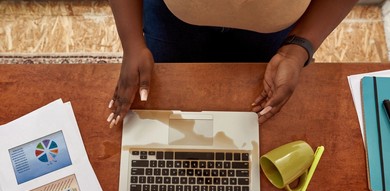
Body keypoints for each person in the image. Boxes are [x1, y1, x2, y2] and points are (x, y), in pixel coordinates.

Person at [106, 0, 358, 128]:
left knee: (255, 121)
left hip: (270, 31)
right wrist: (132, 43)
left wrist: (299, 47)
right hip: (173, 19)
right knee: (166, 104)